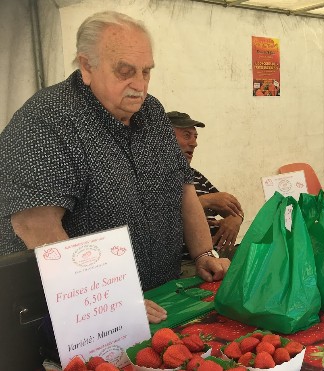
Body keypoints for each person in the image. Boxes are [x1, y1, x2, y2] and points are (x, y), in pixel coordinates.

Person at [0, 11, 229, 324]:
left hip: (161, 294)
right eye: (125, 72)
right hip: (78, 316)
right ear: (86, 66)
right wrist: (109, 301)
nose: (139, 85)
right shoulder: (48, 120)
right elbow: (35, 226)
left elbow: (183, 186)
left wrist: (204, 253)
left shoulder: (152, 111)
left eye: (146, 72)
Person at [167, 111, 244, 256]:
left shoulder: (195, 176)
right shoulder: (152, 178)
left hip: (217, 253)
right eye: (186, 135)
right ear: (164, 138)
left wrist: (235, 219)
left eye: (195, 137)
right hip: (188, 261)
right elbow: (161, 218)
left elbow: (230, 207)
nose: (194, 143)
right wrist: (205, 201)